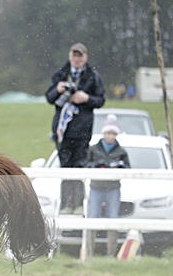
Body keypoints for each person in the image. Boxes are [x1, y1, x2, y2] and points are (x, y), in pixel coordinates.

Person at [45, 42, 106, 214]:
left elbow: (100, 100)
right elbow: (49, 98)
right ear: (70, 56)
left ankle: (78, 204)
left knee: (79, 167)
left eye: (80, 56)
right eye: (74, 55)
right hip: (62, 131)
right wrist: (58, 90)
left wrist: (86, 98)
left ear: (85, 57)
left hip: (83, 130)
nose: (77, 59)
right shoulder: (60, 74)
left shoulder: (93, 76)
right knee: (65, 167)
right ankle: (66, 204)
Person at [85, 114, 130, 257]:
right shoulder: (93, 149)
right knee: (92, 220)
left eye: (113, 133)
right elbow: (86, 165)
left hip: (113, 189)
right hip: (96, 188)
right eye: (108, 133)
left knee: (113, 221)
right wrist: (97, 167)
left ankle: (111, 254)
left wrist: (118, 167)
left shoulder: (121, 152)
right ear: (104, 133)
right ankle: (89, 253)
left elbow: (128, 169)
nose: (110, 136)